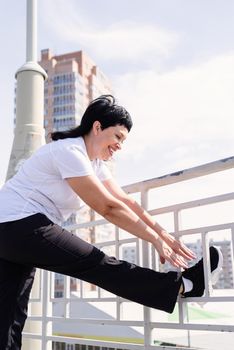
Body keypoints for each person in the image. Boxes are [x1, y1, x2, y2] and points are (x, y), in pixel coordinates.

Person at [0, 95, 222, 349]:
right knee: (96, 264)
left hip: (11, 230)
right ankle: (185, 285)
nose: (120, 145)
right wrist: (154, 241)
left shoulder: (94, 163)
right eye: (117, 136)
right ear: (97, 127)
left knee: (9, 310)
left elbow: (128, 202)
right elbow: (107, 207)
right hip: (20, 224)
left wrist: (163, 235)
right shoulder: (69, 151)